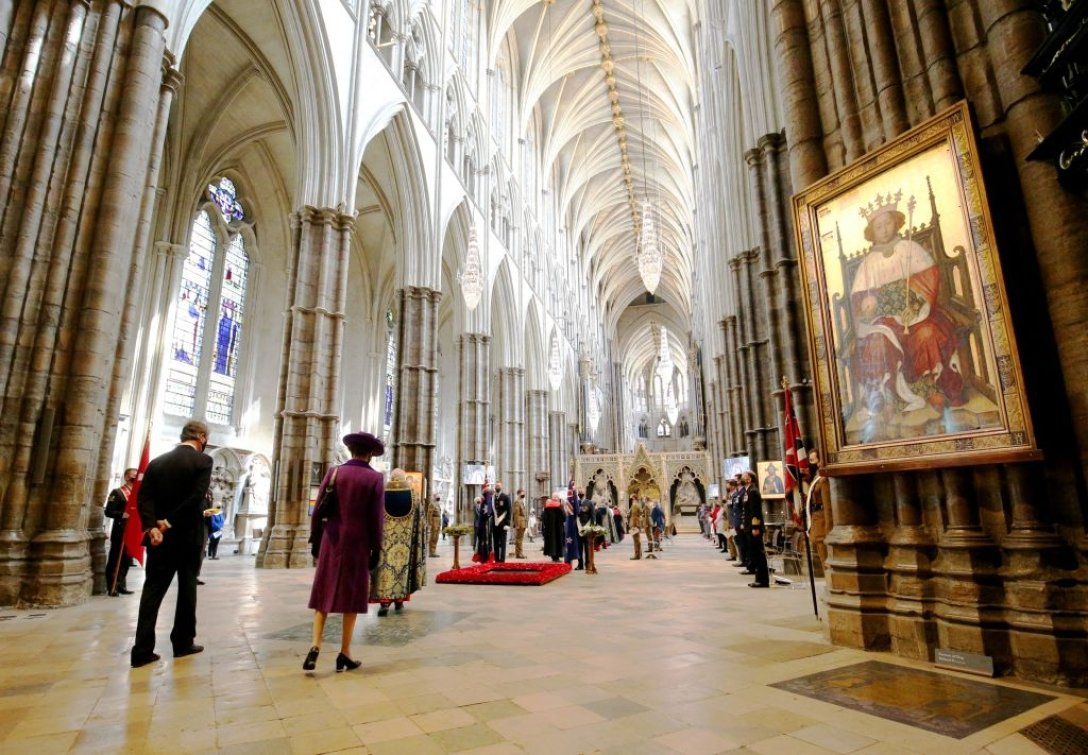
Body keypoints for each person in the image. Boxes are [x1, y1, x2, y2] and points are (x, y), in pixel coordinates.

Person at [850, 192, 964, 421]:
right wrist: (868, 304)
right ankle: (888, 396)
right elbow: (860, 301)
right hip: (885, 323)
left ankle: (930, 390)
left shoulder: (910, 248)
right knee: (876, 342)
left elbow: (930, 280)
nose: (883, 229)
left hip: (917, 315)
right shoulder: (868, 264)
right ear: (872, 232)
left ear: (896, 222)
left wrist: (914, 302)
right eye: (878, 226)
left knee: (927, 334)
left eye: (887, 223)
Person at [130, 420, 213, 668]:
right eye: (205, 437)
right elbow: (196, 496)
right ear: (200, 436)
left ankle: (142, 650)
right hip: (187, 536)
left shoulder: (157, 462)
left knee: (152, 591)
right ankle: (182, 642)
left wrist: (152, 526)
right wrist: (169, 522)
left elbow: (144, 497)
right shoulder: (202, 461)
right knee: (187, 589)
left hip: (159, 538)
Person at [304, 431, 385, 672]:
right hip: (358, 543)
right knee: (352, 597)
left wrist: (316, 540)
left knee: (323, 593)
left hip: (332, 540)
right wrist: (376, 548)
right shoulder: (375, 478)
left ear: (350, 451)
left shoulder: (334, 472)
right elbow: (375, 518)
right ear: (370, 454)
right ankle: (344, 652)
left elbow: (318, 511)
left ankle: (315, 645)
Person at [371, 468, 427, 617]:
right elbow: (421, 522)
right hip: (405, 545)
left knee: (385, 570)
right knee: (402, 570)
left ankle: (384, 602)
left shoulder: (380, 495)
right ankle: (399, 600)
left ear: (391, 477)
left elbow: (373, 517)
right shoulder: (414, 496)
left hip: (385, 544)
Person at [105, 468, 137, 596]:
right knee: (115, 558)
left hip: (131, 531)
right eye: (132, 475)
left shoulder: (136, 494)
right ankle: (112, 586)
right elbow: (108, 511)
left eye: (136, 475)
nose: (134, 477)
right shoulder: (117, 493)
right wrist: (122, 514)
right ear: (126, 477)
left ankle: (121, 584)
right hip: (120, 530)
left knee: (126, 560)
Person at [742, 471, 769, 588]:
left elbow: (755, 512)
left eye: (744, 477)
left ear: (749, 479)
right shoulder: (749, 491)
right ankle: (759, 578)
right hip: (750, 527)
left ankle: (762, 580)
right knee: (754, 553)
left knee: (758, 554)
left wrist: (755, 527)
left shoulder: (753, 492)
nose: (742, 478)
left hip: (754, 528)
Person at [541, 496, 565, 561]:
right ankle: (556, 557)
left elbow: (544, 519)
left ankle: (553, 556)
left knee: (552, 543)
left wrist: (546, 527)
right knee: (557, 543)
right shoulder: (560, 507)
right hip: (558, 529)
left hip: (550, 530)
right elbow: (564, 518)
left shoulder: (547, 507)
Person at [492, 482, 511, 562]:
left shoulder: (505, 497)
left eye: (499, 486)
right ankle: (496, 559)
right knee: (495, 542)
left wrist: (507, 523)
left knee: (502, 542)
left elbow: (509, 510)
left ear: (501, 487)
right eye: (496, 486)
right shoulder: (493, 497)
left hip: (503, 523)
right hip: (495, 523)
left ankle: (502, 559)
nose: (497, 487)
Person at [474, 487, 494, 563]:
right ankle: (484, 557)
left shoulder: (487, 502)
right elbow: (481, 515)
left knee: (487, 541)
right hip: (484, 525)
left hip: (486, 525)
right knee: (483, 541)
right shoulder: (485, 502)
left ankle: (486, 557)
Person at [627, 495, 648, 560]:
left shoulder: (635, 505)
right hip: (637, 523)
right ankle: (639, 554)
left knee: (636, 540)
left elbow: (634, 515)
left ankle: (637, 555)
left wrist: (633, 525)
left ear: (633, 498)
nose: (631, 500)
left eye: (631, 499)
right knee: (637, 539)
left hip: (635, 523)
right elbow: (641, 513)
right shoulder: (637, 504)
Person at [512, 488, 528, 558]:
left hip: (523, 523)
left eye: (524, 493)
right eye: (522, 493)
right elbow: (516, 514)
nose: (523, 494)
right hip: (520, 524)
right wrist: (517, 524)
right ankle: (519, 554)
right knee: (519, 539)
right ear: (518, 494)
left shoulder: (521, 502)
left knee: (520, 539)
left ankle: (518, 553)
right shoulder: (517, 502)